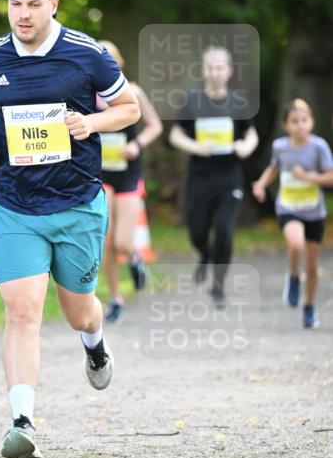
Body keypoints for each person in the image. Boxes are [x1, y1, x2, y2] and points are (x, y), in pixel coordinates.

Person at [0, 0, 140, 458]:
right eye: (15, 4)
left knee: (78, 310)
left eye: (34, 5)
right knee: (22, 311)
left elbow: (128, 108)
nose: (23, 15)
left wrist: (90, 122)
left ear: (54, 5)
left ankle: (96, 342)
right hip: (13, 204)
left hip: (76, 203)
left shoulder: (87, 55)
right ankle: (22, 422)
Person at [169, 45, 258, 306]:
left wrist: (246, 147)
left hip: (228, 177)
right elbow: (175, 135)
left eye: (220, 67)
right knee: (197, 231)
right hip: (199, 177)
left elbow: (251, 134)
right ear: (203, 70)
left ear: (228, 71)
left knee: (224, 232)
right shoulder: (192, 101)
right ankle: (204, 254)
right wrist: (196, 147)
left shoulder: (238, 102)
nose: (215, 72)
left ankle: (218, 286)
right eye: (211, 67)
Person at [252, 98, 333, 328]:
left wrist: (309, 178)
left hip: (314, 211)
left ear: (312, 122)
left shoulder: (319, 147)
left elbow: (330, 176)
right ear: (286, 125)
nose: (300, 125)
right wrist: (261, 184)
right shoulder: (281, 146)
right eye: (294, 121)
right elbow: (274, 167)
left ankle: (309, 306)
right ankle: (294, 277)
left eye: (304, 120)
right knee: (296, 244)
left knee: (313, 265)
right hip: (288, 207)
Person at [97, 41, 163, 322]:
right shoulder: (86, 95)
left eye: (109, 60)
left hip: (128, 174)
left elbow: (155, 125)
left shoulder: (132, 91)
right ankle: (115, 298)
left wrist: (136, 144)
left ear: (119, 63)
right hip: (99, 174)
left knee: (123, 243)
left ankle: (135, 259)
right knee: (106, 240)